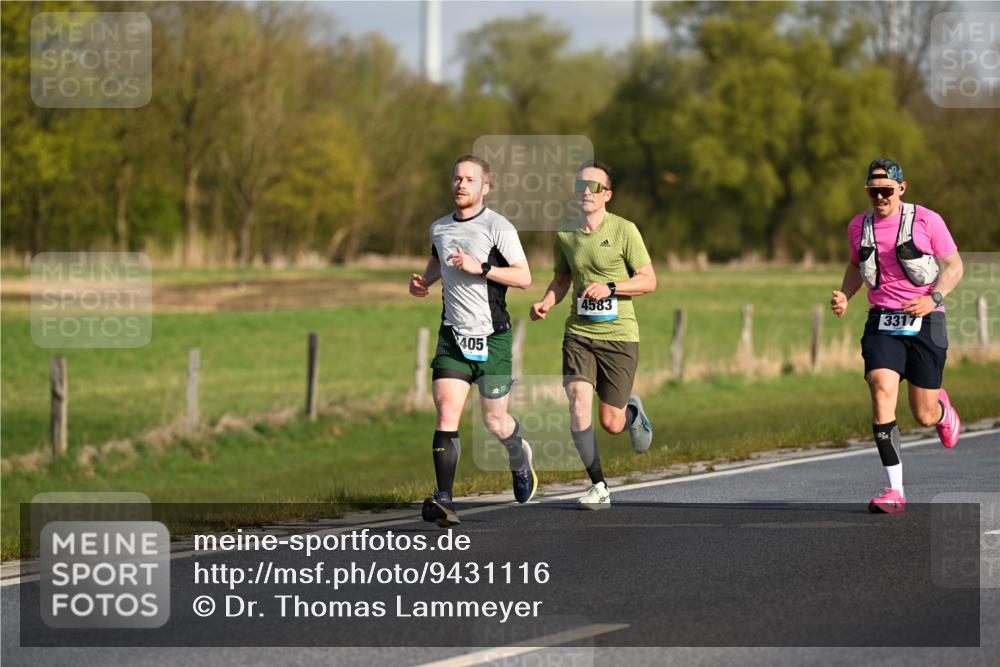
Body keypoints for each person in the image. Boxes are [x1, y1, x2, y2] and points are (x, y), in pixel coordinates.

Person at [831, 158, 963, 514]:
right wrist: (846, 294)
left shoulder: (927, 220)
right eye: (873, 191)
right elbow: (855, 264)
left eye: (886, 190)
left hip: (926, 320)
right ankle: (895, 490)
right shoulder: (859, 226)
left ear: (901, 189)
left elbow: (954, 266)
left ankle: (941, 411)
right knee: (880, 386)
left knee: (922, 412)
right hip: (882, 319)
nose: (879, 197)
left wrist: (933, 297)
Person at [409, 155, 535, 526]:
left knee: (495, 422)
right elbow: (438, 261)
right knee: (447, 412)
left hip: (493, 339)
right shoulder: (440, 228)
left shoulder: (499, 226)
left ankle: (518, 454)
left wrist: (480, 268)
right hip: (453, 335)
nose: (461, 184)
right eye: (456, 178)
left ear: (485, 187)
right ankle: (444, 498)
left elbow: (524, 277)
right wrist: (424, 282)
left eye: (469, 179)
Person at [529, 160, 656, 510]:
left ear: (608, 195)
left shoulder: (624, 230)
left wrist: (611, 287)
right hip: (579, 334)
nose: (587, 191)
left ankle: (631, 412)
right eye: (581, 185)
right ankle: (599, 485)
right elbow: (562, 280)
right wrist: (545, 303)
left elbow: (649, 280)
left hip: (619, 336)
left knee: (611, 423)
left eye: (595, 187)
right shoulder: (565, 235)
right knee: (577, 406)